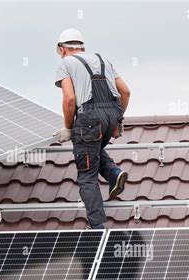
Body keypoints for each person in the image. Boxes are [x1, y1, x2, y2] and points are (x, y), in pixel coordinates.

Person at [53, 28, 131, 230]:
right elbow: (125, 91)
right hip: (111, 115)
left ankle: (97, 226)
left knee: (86, 175)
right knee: (92, 148)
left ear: (61, 49)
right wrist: (117, 121)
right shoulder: (102, 59)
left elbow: (69, 98)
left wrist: (68, 128)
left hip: (89, 118)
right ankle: (114, 173)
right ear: (83, 47)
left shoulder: (65, 64)